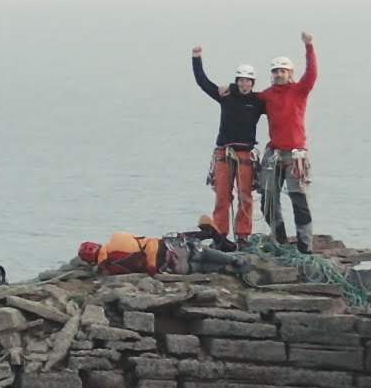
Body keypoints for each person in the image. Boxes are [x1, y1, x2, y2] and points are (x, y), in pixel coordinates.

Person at [191, 46, 266, 242]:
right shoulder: (226, 97)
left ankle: (242, 237)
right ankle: (220, 235)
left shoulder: (258, 102)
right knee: (222, 197)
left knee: (245, 198)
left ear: (252, 83)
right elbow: (203, 82)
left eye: (247, 81)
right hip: (224, 153)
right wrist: (196, 58)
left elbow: (280, 104)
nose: (244, 84)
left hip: (245, 155)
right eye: (240, 80)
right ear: (237, 81)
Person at [259, 31, 319, 252]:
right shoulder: (266, 96)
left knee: (298, 200)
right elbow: (245, 102)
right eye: (275, 71)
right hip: (274, 153)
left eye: (283, 71)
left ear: (290, 73)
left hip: (295, 155)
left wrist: (309, 47)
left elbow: (312, 74)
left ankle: (305, 245)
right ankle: (280, 237)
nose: (279, 74)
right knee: (267, 199)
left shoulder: (299, 91)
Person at [76, 229, 243, 276]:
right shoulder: (117, 237)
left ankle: (226, 269)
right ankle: (231, 259)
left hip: (167, 267)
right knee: (200, 252)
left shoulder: (109, 270)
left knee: (197, 267)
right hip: (170, 248)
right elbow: (144, 240)